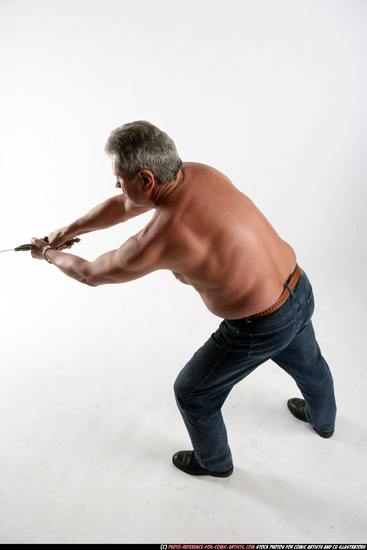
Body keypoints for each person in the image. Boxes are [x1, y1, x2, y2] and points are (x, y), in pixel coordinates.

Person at [31, 121, 337, 477]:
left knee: (193, 393)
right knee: (311, 363)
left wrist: (49, 254)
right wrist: (65, 232)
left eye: (119, 176)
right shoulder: (198, 172)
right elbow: (123, 205)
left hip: (260, 325)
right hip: (299, 287)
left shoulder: (157, 239)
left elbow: (90, 273)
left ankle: (214, 463)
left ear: (145, 179)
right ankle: (324, 422)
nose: (116, 184)